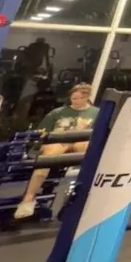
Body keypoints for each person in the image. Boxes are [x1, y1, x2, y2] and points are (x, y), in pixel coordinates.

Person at [14, 83, 99, 219]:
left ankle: (80, 200)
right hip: (58, 144)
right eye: (73, 98)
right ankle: (28, 199)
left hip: (80, 144)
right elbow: (42, 132)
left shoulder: (96, 113)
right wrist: (38, 147)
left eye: (79, 99)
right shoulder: (57, 113)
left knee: (87, 145)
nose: (75, 101)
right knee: (50, 152)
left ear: (87, 97)